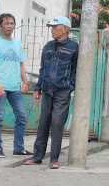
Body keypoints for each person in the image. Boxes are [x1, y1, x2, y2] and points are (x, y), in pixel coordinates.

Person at [24, 17, 78, 169]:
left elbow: (76, 69)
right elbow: (42, 69)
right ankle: (37, 156)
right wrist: (37, 88)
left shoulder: (74, 47)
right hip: (47, 90)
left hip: (62, 91)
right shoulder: (48, 46)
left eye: (55, 27)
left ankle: (54, 159)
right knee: (43, 123)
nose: (52, 30)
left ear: (66, 29)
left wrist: (70, 86)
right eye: (51, 27)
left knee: (57, 123)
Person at [0, 13, 32, 158]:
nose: (10, 26)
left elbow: (21, 64)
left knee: (22, 116)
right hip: (0, 86)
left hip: (15, 87)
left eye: (12, 23)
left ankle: (19, 148)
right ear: (0, 26)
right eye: (6, 23)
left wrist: (25, 81)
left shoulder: (17, 43)